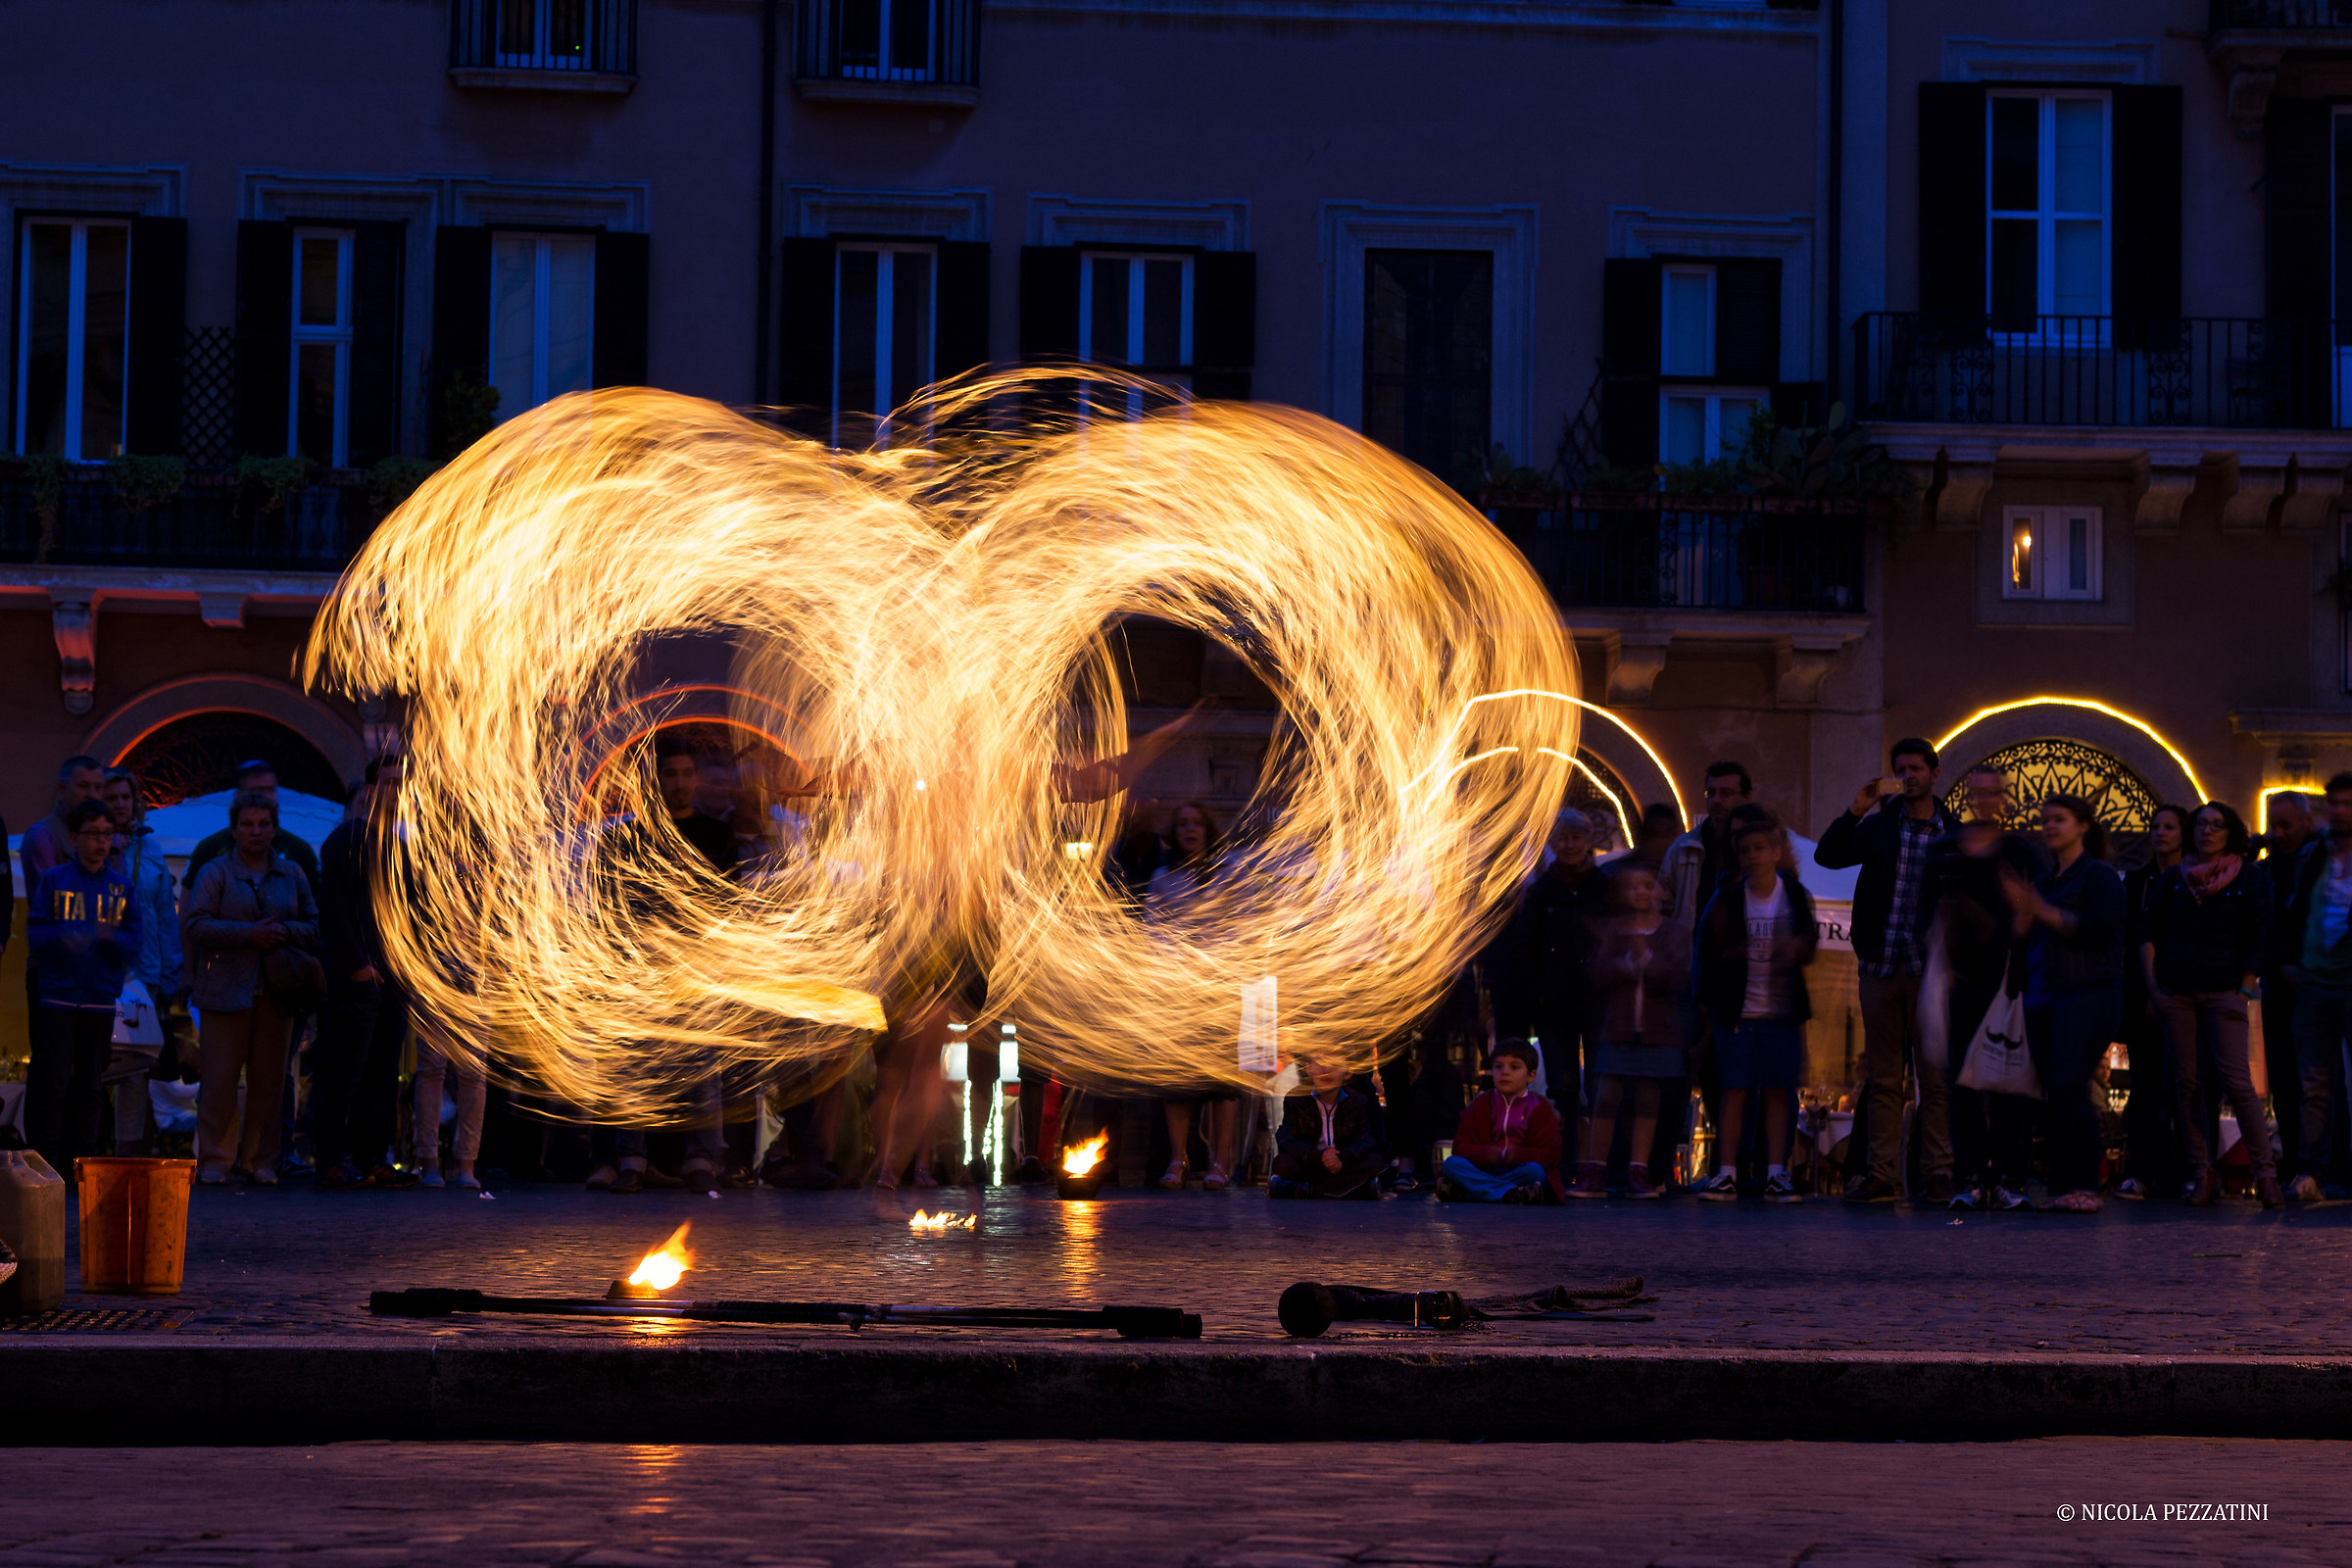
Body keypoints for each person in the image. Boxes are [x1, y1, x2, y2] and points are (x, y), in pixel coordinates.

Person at [1814, 738, 1960, 1204]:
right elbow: (1827, 856)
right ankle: (1883, 1174)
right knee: (1882, 1078)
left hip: (1928, 972)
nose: (1909, 775)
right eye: (1902, 768)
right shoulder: (1879, 826)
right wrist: (1856, 810)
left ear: (1935, 774)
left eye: (1917, 767)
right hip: (1879, 966)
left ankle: (1938, 1171)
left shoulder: (1951, 833)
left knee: (1933, 1078)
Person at [588, 739, 737, 1196]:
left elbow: (727, 903)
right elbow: (609, 900)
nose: (681, 783)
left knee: (701, 1068)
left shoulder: (717, 835)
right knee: (637, 1066)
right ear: (657, 781)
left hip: (696, 967)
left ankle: (701, 1159)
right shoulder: (626, 837)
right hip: (643, 967)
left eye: (687, 774)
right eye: (671, 775)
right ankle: (632, 1158)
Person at [183, 790, 319, 1185]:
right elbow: (196, 924)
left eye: (263, 824)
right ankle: (215, 1160)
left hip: (277, 993)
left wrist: (283, 931)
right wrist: (248, 934)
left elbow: (313, 924)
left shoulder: (292, 874)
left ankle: (261, 1160)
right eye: (248, 824)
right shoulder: (215, 872)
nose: (256, 831)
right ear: (234, 828)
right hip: (224, 990)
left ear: (275, 829)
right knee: (220, 1081)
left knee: (269, 1083)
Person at [2146, 801, 2278, 1208]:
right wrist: (2156, 991)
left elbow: (2261, 934)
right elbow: (2149, 933)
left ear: (2230, 831)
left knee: (2238, 1084)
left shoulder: (2248, 878)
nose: (2207, 832)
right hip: (2179, 992)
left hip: (2225, 992)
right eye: (2201, 824)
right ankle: (2202, 1172)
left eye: (2217, 825)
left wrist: (2245, 988)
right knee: (2188, 1084)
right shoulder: (2173, 879)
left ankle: (2265, 1174)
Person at [2002, 794, 2126, 1213]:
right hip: (2042, 994)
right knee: (2054, 1090)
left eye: (2060, 820)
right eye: (2045, 820)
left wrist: (2044, 912)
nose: (2049, 827)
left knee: (2071, 1085)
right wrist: (2022, 913)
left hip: (2087, 991)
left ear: (2083, 826)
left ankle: (2085, 1185)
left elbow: (2102, 931)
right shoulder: (2045, 880)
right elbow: (2023, 939)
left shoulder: (2099, 876)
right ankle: (2063, 1183)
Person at [1934, 765, 2048, 1211]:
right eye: (1977, 792)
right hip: (1959, 983)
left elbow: (2035, 912)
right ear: (1968, 797)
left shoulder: (2022, 851)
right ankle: (1968, 1177)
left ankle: (2008, 1177)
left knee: (2008, 1081)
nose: (1984, 799)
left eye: (1992, 792)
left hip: (2009, 983)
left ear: (2003, 798)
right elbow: (1929, 911)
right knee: (1960, 1083)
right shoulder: (1946, 850)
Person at [1693, 813, 1815, 1202]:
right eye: (1745, 850)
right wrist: (1738, 953)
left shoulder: (1794, 894)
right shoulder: (1727, 896)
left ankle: (1777, 1171)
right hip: (1738, 1011)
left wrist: (1795, 948)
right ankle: (1727, 1170)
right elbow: (1710, 951)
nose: (1753, 856)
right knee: (1734, 1089)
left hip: (1781, 1010)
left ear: (1776, 852)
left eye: (1760, 848)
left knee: (1781, 1090)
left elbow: (1809, 943)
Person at [312, 756, 419, 1190]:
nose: (397, 791)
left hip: (393, 979)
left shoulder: (401, 847)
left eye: (403, 784)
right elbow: (333, 909)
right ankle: (332, 1159)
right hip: (356, 978)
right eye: (390, 782)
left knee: (382, 1073)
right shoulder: (347, 839)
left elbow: (413, 914)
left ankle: (372, 1156)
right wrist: (357, 967)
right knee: (343, 1070)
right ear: (371, 789)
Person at [24, 800, 141, 1180]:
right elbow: (36, 934)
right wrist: (65, 938)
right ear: (74, 838)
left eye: (108, 834)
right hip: (58, 996)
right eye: (93, 834)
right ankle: (46, 1165)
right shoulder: (55, 880)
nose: (101, 842)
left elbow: (135, 942)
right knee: (53, 1082)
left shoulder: (121, 888)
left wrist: (109, 938)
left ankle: (83, 1165)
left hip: (98, 999)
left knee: (90, 1083)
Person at [1494, 808, 1611, 1147]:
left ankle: (1598, 1160)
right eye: (1563, 838)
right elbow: (1524, 946)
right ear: (1553, 843)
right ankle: (1568, 1154)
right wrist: (1538, 992)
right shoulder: (1542, 892)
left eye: (1576, 837)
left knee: (1600, 1083)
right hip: (1554, 1005)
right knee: (1562, 1085)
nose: (1571, 844)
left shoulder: (1603, 887)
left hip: (1596, 1000)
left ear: (1588, 841)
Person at [1570, 861, 1688, 1199]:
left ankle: (1639, 1170)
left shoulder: (1673, 932)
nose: (1640, 892)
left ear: (1661, 891)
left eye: (1647, 885)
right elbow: (1596, 973)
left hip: (1657, 1029)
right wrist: (1624, 964)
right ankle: (1594, 1170)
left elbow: (1679, 976)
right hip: (1618, 1027)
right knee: (1606, 1095)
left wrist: (1648, 961)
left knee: (1649, 1098)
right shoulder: (1615, 931)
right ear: (1623, 893)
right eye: (1633, 886)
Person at [1145, 802, 1242, 1191]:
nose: (1189, 829)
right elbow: (1153, 933)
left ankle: (1220, 1162)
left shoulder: (1228, 874)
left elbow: (1245, 922)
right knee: (1178, 1081)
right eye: (1182, 822)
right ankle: (1178, 1158)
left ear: (1207, 828)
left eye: (1196, 822)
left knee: (1222, 1083)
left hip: (1218, 988)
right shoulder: (1163, 879)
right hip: (1179, 991)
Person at [102, 767, 184, 1156]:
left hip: (144, 976)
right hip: (102, 974)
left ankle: (127, 1155)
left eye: (125, 797)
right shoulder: (94, 846)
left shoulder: (150, 849)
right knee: (97, 1067)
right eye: (111, 797)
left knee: (135, 1069)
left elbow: (165, 916)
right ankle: (88, 1147)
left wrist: (171, 973)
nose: (120, 804)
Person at [2117, 805, 2191, 1200]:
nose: (2161, 834)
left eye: (2170, 827)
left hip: (2189, 998)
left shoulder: (2196, 878)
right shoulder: (2137, 884)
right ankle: (2142, 1171)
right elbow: (2131, 941)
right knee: (2145, 1086)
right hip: (2146, 1000)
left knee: (2188, 1086)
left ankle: (2189, 1170)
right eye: (2155, 827)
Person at [2284, 773, 2352, 1203]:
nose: (2340, 812)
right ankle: (2311, 1172)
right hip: (2314, 980)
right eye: (2335, 804)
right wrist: (2291, 962)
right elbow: (2298, 907)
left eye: (2348, 804)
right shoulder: (2318, 853)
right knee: (2315, 1085)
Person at [2258, 792, 2322, 1193]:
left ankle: (2322, 1167)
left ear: (2306, 821)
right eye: (2274, 826)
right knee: (2284, 1078)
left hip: (2315, 982)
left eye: (2286, 825)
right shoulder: (2269, 868)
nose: (2278, 833)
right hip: (2279, 986)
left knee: (2318, 1081)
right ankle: (2298, 1166)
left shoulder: (2323, 862)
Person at [1436, 1039, 1562, 1202]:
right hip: (1482, 1170)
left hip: (1519, 1170)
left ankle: (1473, 1192)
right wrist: (1489, 1154)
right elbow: (1460, 1147)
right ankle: (1509, 1193)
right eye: (1498, 1067)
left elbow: (1551, 1155)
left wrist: (1518, 1155)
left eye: (1514, 1067)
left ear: (1531, 1075)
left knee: (1536, 1171)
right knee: (1451, 1164)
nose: (1505, 1072)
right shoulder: (1481, 1104)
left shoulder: (1540, 1107)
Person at [183, 760, 323, 898]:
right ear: (239, 794)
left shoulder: (299, 850)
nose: (265, 797)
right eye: (256, 790)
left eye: (270, 790)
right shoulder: (210, 849)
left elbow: (315, 911)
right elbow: (189, 911)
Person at [1267, 1056, 1385, 1199]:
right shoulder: (1296, 1098)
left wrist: (1341, 1159)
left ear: (1347, 1073)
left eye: (1334, 1064)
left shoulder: (1358, 1101)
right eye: (1320, 1063)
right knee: (1282, 1163)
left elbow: (1365, 1140)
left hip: (1342, 1165)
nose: (1327, 1070)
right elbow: (1285, 1138)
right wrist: (1318, 1157)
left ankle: (1307, 1190)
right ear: (1309, 1069)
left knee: (1376, 1162)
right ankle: (1348, 1190)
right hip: (1310, 1163)